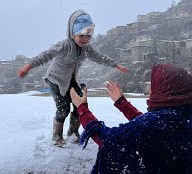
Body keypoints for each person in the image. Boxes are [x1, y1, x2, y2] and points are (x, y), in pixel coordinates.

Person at [70, 63, 192, 174]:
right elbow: (146, 127)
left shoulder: (159, 122)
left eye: (155, 84)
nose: (151, 89)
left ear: (166, 88)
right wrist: (121, 102)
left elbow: (109, 140)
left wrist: (82, 109)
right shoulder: (183, 117)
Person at [17, 9, 129, 146]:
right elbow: (46, 55)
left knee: (80, 103)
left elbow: (100, 57)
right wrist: (28, 66)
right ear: (72, 33)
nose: (85, 39)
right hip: (55, 80)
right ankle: (57, 136)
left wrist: (115, 65)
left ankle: (73, 132)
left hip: (70, 80)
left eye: (88, 36)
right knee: (63, 109)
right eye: (81, 35)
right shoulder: (64, 45)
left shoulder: (86, 48)